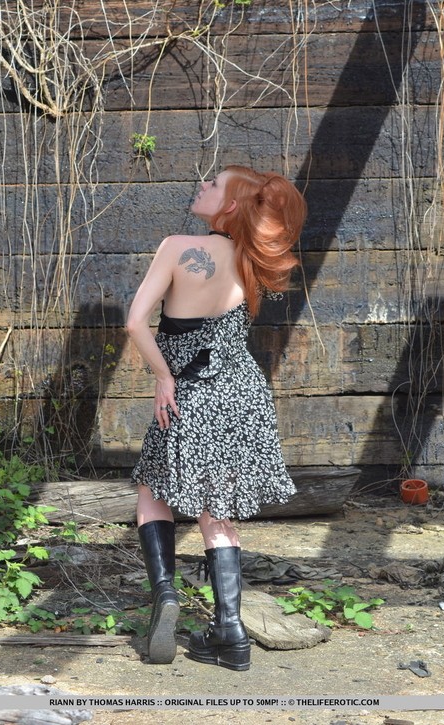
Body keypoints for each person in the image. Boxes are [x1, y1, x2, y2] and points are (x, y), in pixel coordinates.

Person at [126, 165, 307, 671]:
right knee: (217, 510)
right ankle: (231, 633)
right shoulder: (254, 259)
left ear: (230, 206)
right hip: (243, 393)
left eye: (213, 184)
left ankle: (165, 595)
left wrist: (163, 376)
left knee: (151, 493)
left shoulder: (177, 247)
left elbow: (135, 322)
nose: (201, 185)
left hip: (190, 391)